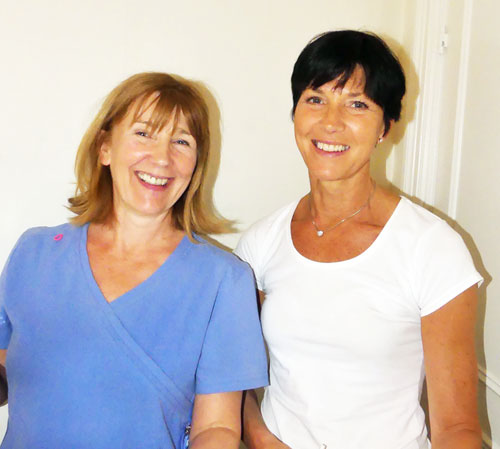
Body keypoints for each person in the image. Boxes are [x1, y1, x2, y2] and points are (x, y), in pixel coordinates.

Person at [235, 31, 482, 449]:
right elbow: (233, 381)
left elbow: (457, 428)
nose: (331, 122)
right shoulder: (261, 242)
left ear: (386, 127)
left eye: (357, 104)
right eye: (315, 99)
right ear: (295, 113)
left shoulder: (432, 248)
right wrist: (261, 440)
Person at [0, 72, 268, 449]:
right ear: (104, 148)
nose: (161, 158)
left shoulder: (224, 281)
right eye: (144, 134)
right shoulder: (34, 253)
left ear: (196, 164)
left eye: (181, 141)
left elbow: (217, 429)